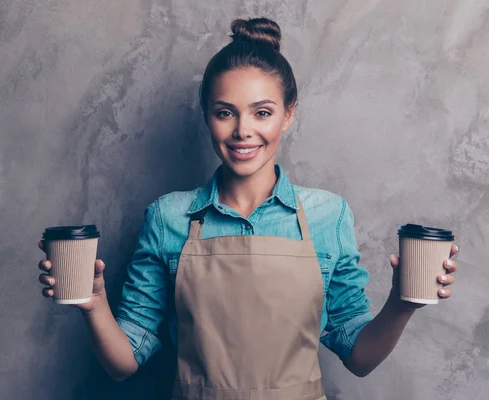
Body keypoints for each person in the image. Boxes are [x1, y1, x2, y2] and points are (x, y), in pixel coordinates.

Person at [37, 17, 458, 400]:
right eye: (225, 113)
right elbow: (124, 362)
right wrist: (93, 304)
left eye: (262, 112)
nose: (243, 130)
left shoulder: (328, 216)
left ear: (288, 115)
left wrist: (403, 304)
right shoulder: (168, 218)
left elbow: (359, 358)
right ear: (207, 116)